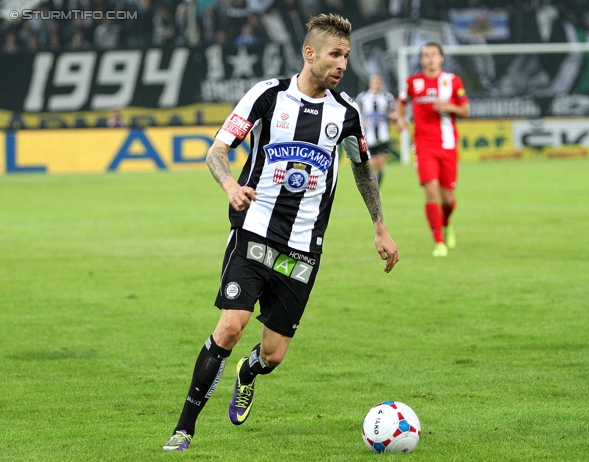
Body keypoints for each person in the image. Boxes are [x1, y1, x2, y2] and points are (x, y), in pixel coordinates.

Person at [163, 13, 399, 452]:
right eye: (334, 54)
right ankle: (184, 428)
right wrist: (231, 185)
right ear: (309, 53)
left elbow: (364, 169)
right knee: (230, 327)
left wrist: (380, 228)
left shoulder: (345, 113)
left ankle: (248, 373)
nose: (342, 63)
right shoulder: (268, 96)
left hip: (304, 249)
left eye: (346, 56)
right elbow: (218, 151)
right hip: (253, 233)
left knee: (272, 355)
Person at [397, 42, 469, 257]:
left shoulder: (452, 81)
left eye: (434, 54)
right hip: (424, 145)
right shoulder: (413, 82)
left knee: (448, 198)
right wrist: (401, 119)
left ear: (441, 58)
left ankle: (446, 223)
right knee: (431, 191)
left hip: (448, 145)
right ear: (421, 60)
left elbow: (465, 110)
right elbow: (402, 102)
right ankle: (438, 241)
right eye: (426, 55)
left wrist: (450, 107)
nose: (430, 58)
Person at [356, 73, 396, 186]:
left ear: (382, 84)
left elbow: (394, 113)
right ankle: (375, 181)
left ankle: (376, 185)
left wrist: (391, 116)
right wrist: (362, 122)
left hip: (383, 134)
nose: (376, 84)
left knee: (381, 161)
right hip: (368, 136)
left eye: (378, 82)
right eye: (374, 82)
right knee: (372, 162)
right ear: (370, 83)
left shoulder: (387, 97)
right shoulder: (362, 98)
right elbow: (357, 114)